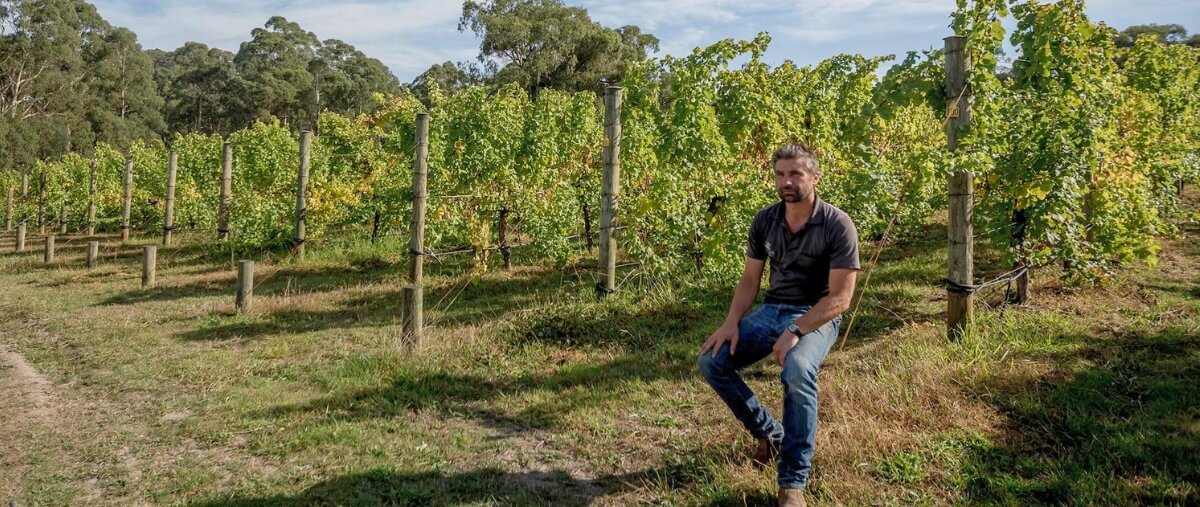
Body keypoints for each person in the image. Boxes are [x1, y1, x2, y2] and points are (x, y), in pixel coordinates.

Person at [697, 143, 860, 507]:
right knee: (711, 361)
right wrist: (730, 323)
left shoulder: (837, 224)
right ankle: (770, 434)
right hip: (773, 309)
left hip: (816, 313)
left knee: (798, 370)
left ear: (815, 178)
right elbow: (750, 280)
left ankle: (792, 481)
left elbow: (840, 299)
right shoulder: (765, 220)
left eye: (795, 174)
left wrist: (795, 331)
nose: (786, 182)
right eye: (780, 174)